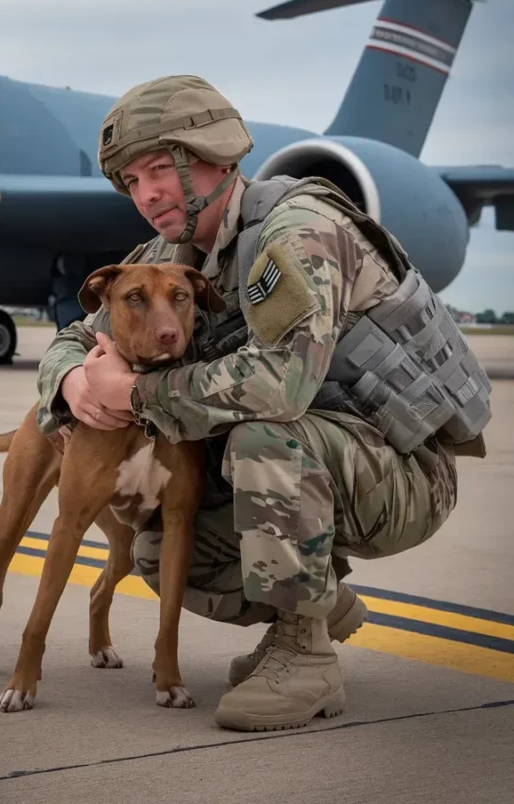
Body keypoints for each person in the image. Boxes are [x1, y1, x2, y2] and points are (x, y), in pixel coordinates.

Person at [36, 74, 487, 732]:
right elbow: (74, 339)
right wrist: (72, 382)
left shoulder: (296, 230)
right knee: (160, 554)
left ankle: (304, 656)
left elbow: (281, 384)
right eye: (132, 181)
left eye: (161, 169)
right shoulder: (170, 257)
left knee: (262, 437)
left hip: (401, 469)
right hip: (318, 466)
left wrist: (134, 392)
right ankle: (315, 601)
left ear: (214, 155)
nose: (147, 193)